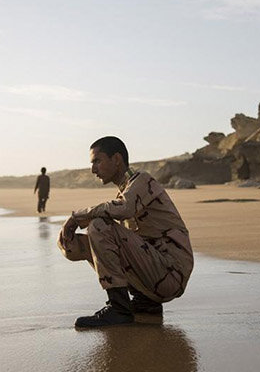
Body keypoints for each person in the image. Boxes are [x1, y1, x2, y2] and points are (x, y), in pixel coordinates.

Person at [57, 136, 193, 328]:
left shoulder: (142, 180)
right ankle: (145, 302)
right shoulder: (125, 191)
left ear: (117, 160)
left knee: (98, 226)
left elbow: (124, 208)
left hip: (170, 275)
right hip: (154, 277)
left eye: (97, 161)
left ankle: (119, 308)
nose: (93, 169)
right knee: (70, 243)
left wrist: (77, 216)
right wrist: (70, 233)